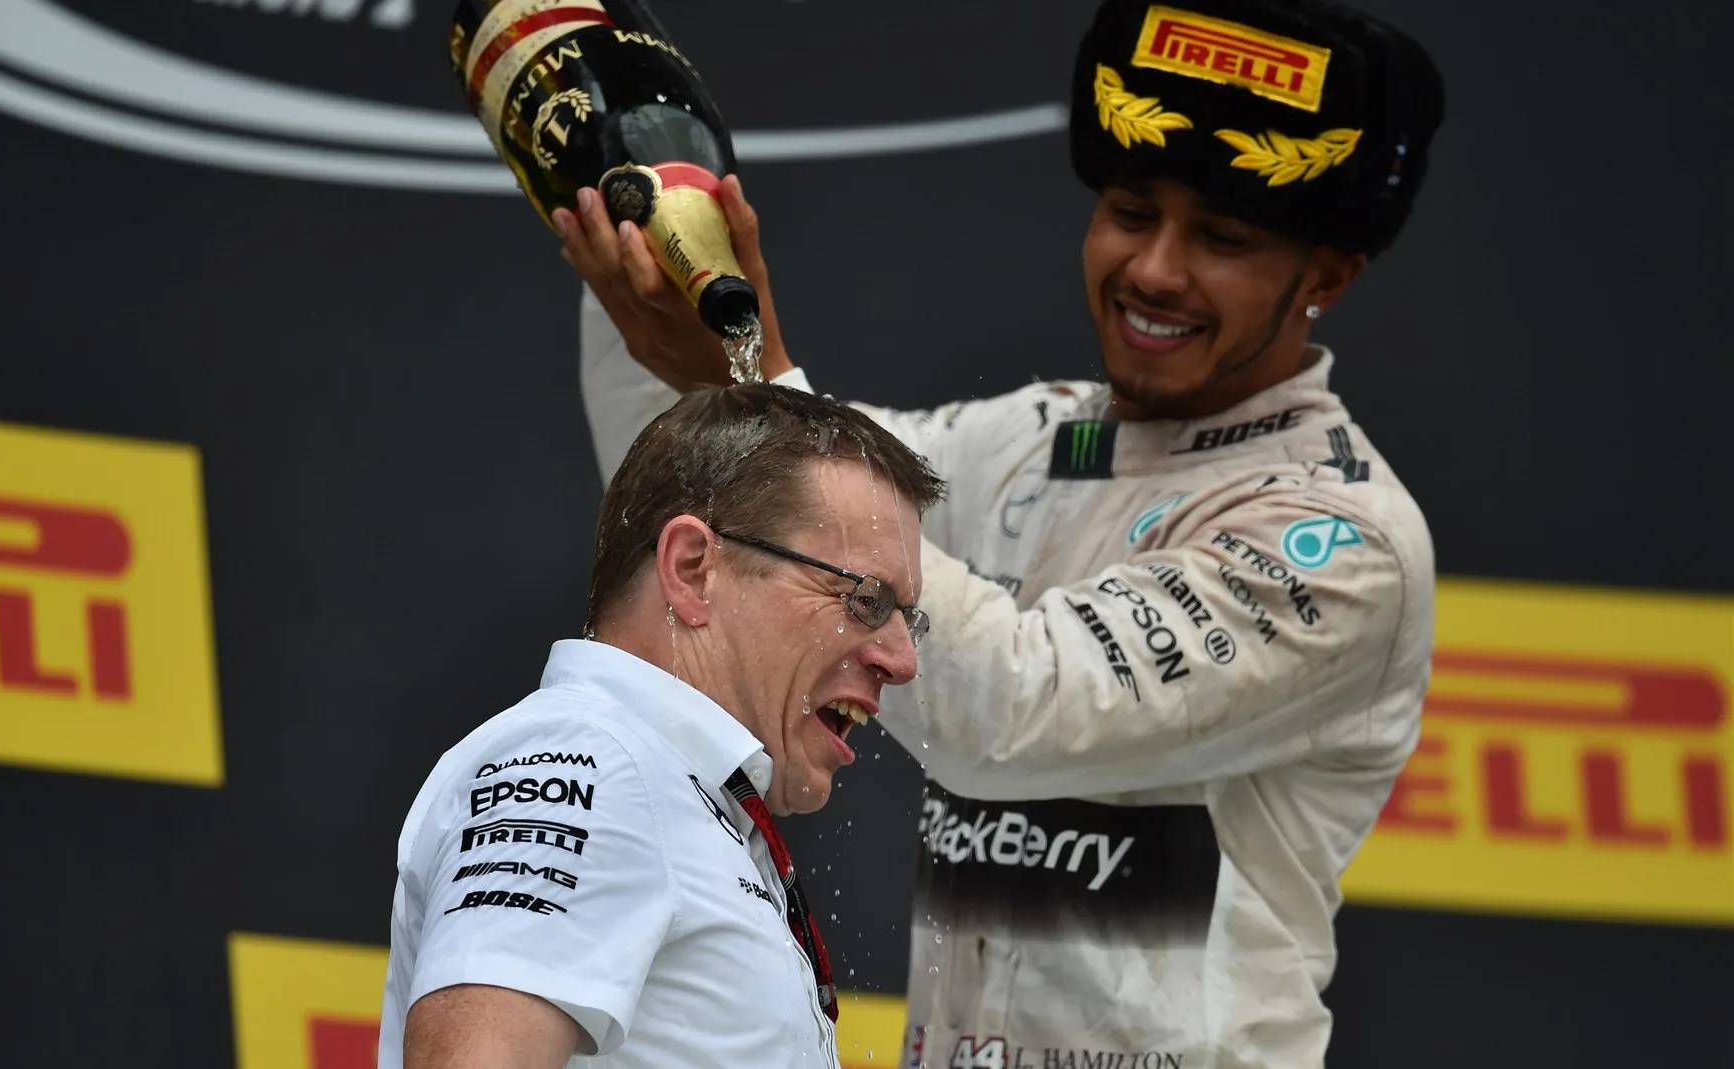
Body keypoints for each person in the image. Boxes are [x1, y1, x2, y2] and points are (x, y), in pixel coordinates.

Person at [555, 0, 1446, 1065]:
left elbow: (1014, 712)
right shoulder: (1037, 439)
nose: (1155, 269)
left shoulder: (1341, 538)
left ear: (1329, 276)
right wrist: (649, 253)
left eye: (1222, 239)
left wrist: (752, 378)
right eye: (1128, 210)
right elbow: (699, 483)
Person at [377, 384, 945, 1068]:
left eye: (904, 617)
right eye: (866, 598)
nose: (902, 659)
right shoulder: (593, 759)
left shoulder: (665, 784)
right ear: (693, 568)